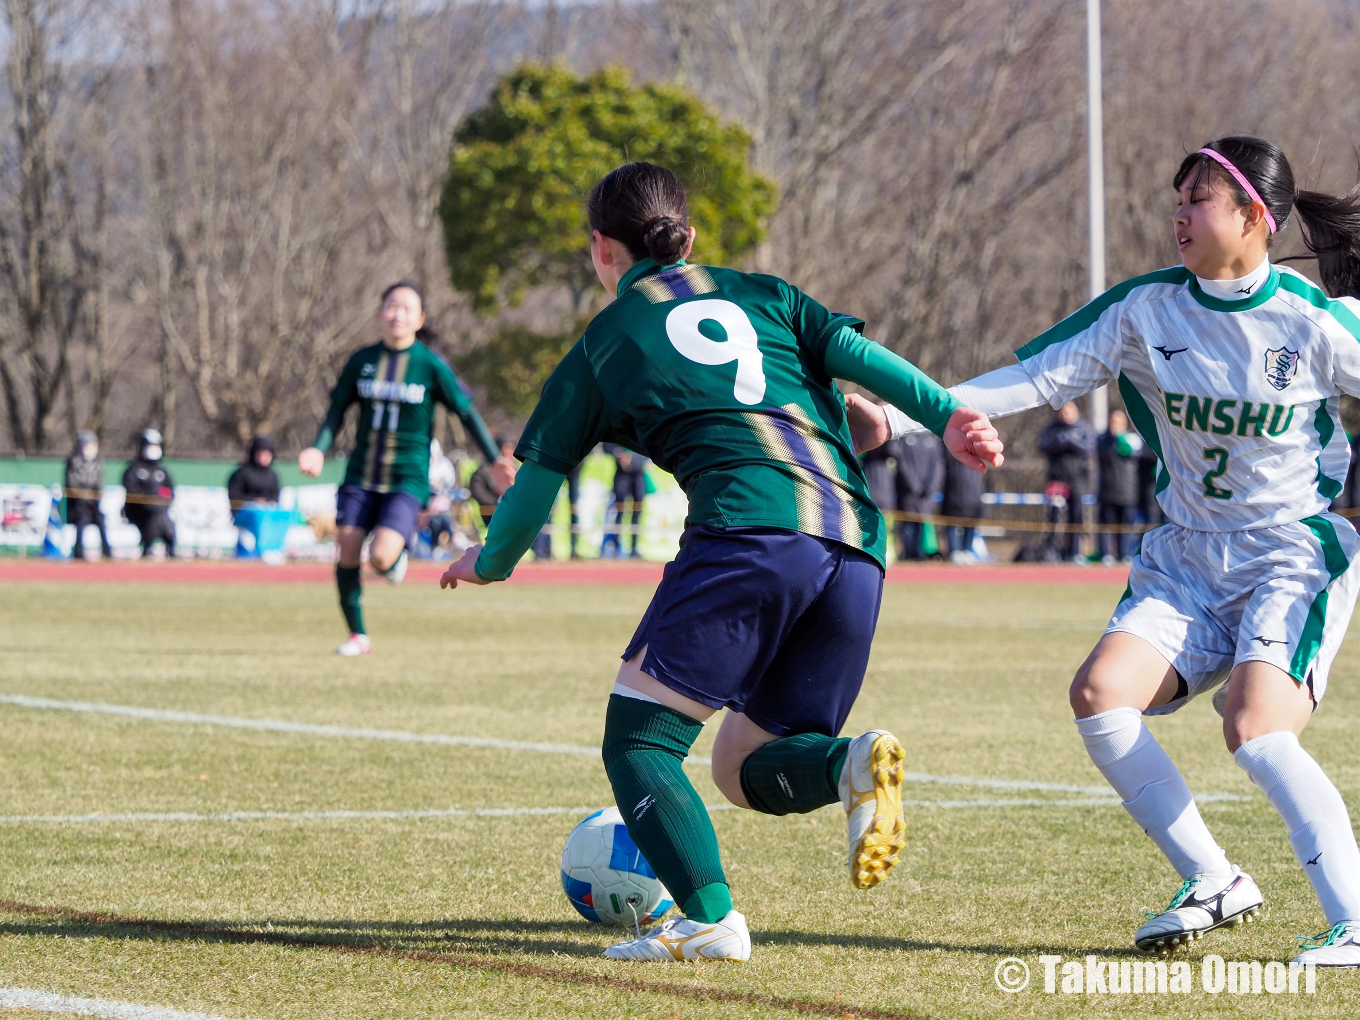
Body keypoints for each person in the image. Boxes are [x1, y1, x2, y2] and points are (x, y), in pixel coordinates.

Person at [438, 162, 1002, 963]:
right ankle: (849, 763)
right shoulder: (766, 294)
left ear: (600, 249)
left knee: (639, 740)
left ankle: (708, 922)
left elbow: (536, 485)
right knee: (744, 769)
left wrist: (488, 561)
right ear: (690, 238)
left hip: (750, 533)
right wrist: (948, 415)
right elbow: (862, 368)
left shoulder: (604, 342)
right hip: (858, 549)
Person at [864, 137, 1360, 967]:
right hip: (1185, 557)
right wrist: (904, 414)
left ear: (1256, 218)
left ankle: (1354, 919)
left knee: (1256, 730)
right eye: (1180, 196)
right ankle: (1214, 878)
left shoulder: (1315, 320)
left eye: (1200, 197)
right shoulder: (1141, 310)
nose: (1180, 211)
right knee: (1099, 694)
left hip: (1291, 551)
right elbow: (1030, 377)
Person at [298, 281, 513, 656]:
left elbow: (466, 412)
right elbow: (335, 412)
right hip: (361, 475)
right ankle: (357, 636)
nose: (398, 314)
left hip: (406, 479)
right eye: (391, 306)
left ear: (420, 319)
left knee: (379, 557)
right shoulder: (361, 361)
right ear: (380, 312)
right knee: (347, 547)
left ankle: (395, 556)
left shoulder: (430, 365)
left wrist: (494, 457)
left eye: (407, 309)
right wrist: (318, 449)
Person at [1038, 401, 1094, 562]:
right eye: (1063, 412)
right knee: (1054, 516)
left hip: (1077, 480)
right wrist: (1059, 443)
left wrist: (1072, 442)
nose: (1066, 415)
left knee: (1076, 516)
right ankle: (1051, 551)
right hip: (1057, 480)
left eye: (1069, 411)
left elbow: (1089, 448)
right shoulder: (1052, 428)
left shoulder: (1083, 428)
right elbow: (1042, 445)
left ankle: (1074, 552)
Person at [1096, 409, 1142, 564]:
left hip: (1127, 491)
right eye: (1112, 421)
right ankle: (1105, 554)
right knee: (1106, 525)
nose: (1114, 425)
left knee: (1126, 526)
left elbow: (1136, 455)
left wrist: (1121, 440)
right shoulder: (1102, 440)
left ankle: (1125, 554)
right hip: (1106, 490)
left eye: (1117, 422)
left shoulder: (1132, 440)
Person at [121, 428, 175, 558]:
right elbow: (132, 491)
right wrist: (148, 500)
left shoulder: (161, 472)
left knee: (162, 519)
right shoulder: (134, 469)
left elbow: (169, 492)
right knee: (155, 518)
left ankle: (171, 547)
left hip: (159, 511)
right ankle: (148, 547)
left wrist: (160, 501)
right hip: (138, 511)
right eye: (150, 445)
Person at [894, 433, 943, 560]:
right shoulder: (906, 438)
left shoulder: (932, 440)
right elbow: (902, 463)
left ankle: (920, 553)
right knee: (908, 522)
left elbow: (938, 465)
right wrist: (913, 484)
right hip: (908, 492)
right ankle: (908, 552)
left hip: (926, 493)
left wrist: (931, 486)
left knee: (923, 522)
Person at [64, 430, 111, 560]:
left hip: (93, 505)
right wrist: (85, 497)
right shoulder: (73, 463)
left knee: (100, 519)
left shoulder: (98, 463)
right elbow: (72, 485)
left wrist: (95, 499)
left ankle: (107, 552)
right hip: (77, 507)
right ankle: (78, 553)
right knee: (82, 519)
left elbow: (99, 485)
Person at [601, 444, 648, 559]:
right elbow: (606, 445)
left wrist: (634, 458)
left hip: (638, 475)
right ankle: (616, 548)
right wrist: (620, 454)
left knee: (637, 512)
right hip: (621, 475)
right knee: (619, 511)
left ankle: (634, 549)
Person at [942, 447, 984, 564]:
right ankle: (954, 551)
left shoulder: (977, 463)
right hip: (954, 498)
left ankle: (967, 550)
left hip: (972, 500)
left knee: (970, 524)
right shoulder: (951, 456)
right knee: (952, 524)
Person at [227, 436, 281, 519]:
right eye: (262, 454)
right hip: (244, 519)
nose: (265, 458)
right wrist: (253, 502)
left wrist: (268, 503)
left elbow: (275, 497)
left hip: (267, 518)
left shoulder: (272, 475)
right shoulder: (241, 473)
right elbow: (234, 500)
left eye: (268, 454)